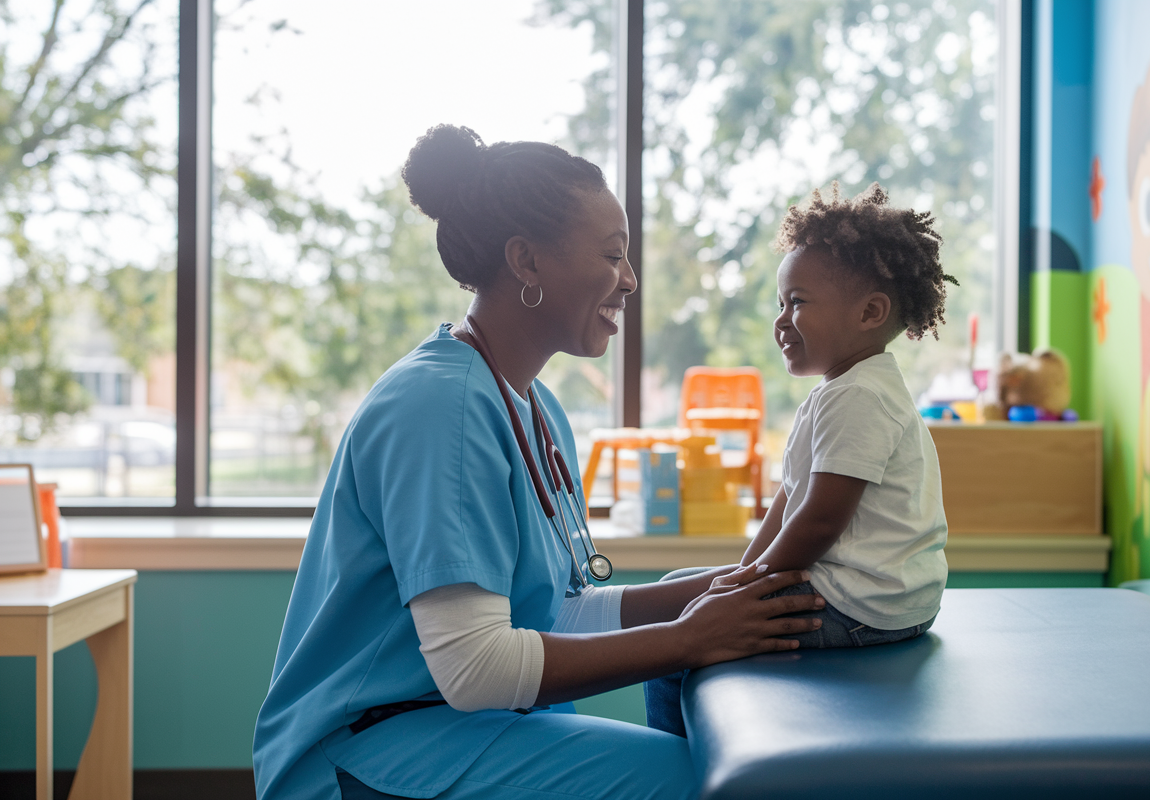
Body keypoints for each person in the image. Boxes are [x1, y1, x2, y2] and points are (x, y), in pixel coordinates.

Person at [251, 124, 826, 800]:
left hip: (456, 726)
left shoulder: (533, 406)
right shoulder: (440, 410)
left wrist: (724, 589)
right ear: (526, 261)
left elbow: (552, 613)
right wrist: (690, 638)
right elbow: (474, 665)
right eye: (613, 256)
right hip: (369, 752)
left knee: (698, 687)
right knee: (694, 783)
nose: (631, 280)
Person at [645, 182, 954, 737]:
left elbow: (818, 521)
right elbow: (791, 498)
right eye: (780, 303)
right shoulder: (842, 391)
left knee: (679, 640)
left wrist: (748, 586)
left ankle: (676, 777)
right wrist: (744, 573)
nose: (781, 320)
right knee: (688, 587)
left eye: (799, 302)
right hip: (873, 598)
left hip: (863, 608)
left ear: (870, 312)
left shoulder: (859, 397)